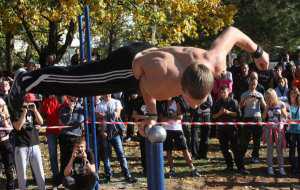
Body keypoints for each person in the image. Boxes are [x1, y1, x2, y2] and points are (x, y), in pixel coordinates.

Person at [8, 27, 269, 132]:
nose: (190, 106)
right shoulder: (167, 82)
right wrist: (153, 116)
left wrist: (258, 52)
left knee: (84, 81)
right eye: (189, 100)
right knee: (83, 83)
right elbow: (145, 87)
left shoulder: (216, 60)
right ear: (182, 86)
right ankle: (28, 79)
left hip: (151, 56)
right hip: (132, 66)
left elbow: (233, 32)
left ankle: (35, 77)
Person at [95, 94, 137, 183]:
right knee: (106, 156)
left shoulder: (116, 102)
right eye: (105, 93)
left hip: (115, 133)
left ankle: (127, 175)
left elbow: (117, 114)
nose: (107, 94)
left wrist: (104, 115)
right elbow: (99, 120)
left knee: (121, 154)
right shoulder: (99, 105)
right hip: (104, 133)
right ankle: (108, 175)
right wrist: (102, 130)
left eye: (109, 92)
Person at [157, 97, 200, 177]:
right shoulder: (162, 103)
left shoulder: (177, 102)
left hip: (177, 129)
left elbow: (180, 117)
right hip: (166, 129)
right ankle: (172, 170)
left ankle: (192, 169)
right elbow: (161, 118)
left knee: (184, 149)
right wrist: (173, 116)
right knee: (168, 150)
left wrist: (169, 117)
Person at [12, 93, 45, 190]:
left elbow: (41, 122)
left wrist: (35, 110)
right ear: (24, 102)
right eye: (30, 102)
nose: (32, 104)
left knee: (40, 172)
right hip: (21, 146)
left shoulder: (33, 111)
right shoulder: (16, 111)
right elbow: (18, 127)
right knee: (22, 175)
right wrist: (24, 112)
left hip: (34, 144)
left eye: (33, 102)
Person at [212, 85, 247, 174]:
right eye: (221, 92)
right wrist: (220, 113)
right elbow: (213, 116)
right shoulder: (217, 103)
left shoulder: (233, 102)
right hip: (221, 130)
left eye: (224, 92)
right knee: (224, 149)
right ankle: (229, 166)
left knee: (236, 149)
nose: (222, 94)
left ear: (228, 92)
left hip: (232, 129)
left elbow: (239, 115)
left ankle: (241, 167)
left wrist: (228, 112)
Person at [239, 73, 266, 164]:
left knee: (257, 139)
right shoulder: (244, 94)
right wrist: (245, 101)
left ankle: (255, 156)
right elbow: (240, 107)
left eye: (254, 84)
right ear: (249, 82)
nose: (253, 85)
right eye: (251, 83)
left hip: (257, 118)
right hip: (247, 118)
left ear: (257, 84)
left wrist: (260, 100)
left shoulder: (260, 94)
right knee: (245, 139)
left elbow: (265, 106)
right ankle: (241, 155)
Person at [263, 89, 288, 176]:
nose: (269, 100)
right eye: (267, 98)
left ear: (274, 96)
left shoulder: (281, 104)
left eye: (270, 98)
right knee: (269, 149)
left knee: (279, 150)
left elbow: (286, 117)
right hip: (269, 130)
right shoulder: (267, 105)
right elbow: (263, 118)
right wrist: (266, 109)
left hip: (279, 130)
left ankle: (281, 167)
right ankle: (270, 167)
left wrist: (283, 112)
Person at [0, 98, 15, 190]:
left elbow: (10, 130)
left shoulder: (6, 116)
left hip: (5, 142)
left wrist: (4, 119)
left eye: (1, 106)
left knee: (8, 167)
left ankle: (10, 187)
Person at [287, 88, 300, 175]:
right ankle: (293, 167)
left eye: (295, 93)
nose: (293, 95)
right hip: (291, 131)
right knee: (292, 150)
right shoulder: (287, 106)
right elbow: (286, 119)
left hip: (299, 131)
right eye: (292, 93)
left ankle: (298, 167)